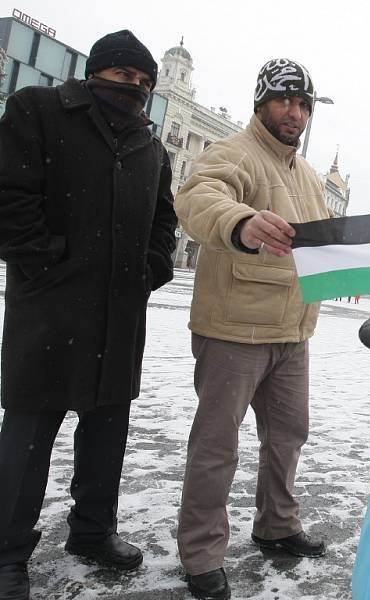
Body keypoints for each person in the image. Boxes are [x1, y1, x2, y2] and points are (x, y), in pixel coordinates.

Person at [0, 30, 176, 599]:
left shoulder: (154, 147)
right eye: (126, 76)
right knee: (28, 437)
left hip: (120, 315)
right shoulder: (40, 110)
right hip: (50, 310)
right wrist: (48, 264)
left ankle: (92, 530)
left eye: (145, 83)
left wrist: (151, 270)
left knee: (107, 433)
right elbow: (9, 196)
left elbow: (162, 223)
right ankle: (6, 553)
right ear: (98, 72)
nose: (135, 89)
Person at [174, 58, 330, 600]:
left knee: (287, 438)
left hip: (292, 333)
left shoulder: (308, 175)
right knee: (216, 447)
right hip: (234, 330)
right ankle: (201, 554)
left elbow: (319, 244)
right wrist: (239, 222)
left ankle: (277, 525)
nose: (295, 112)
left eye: (303, 103)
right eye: (284, 100)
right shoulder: (233, 152)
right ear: (260, 102)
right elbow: (198, 197)